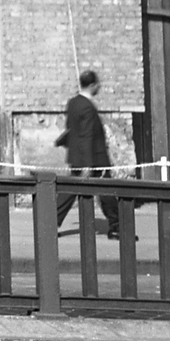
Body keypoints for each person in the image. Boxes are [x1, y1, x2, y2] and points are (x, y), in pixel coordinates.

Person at [55, 69, 123, 239]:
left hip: (78, 156)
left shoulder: (73, 103)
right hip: (94, 158)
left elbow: (71, 129)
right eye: (97, 84)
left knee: (69, 191)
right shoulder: (87, 106)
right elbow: (86, 135)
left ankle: (49, 223)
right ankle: (116, 227)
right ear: (92, 85)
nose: (99, 87)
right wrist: (88, 164)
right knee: (106, 193)